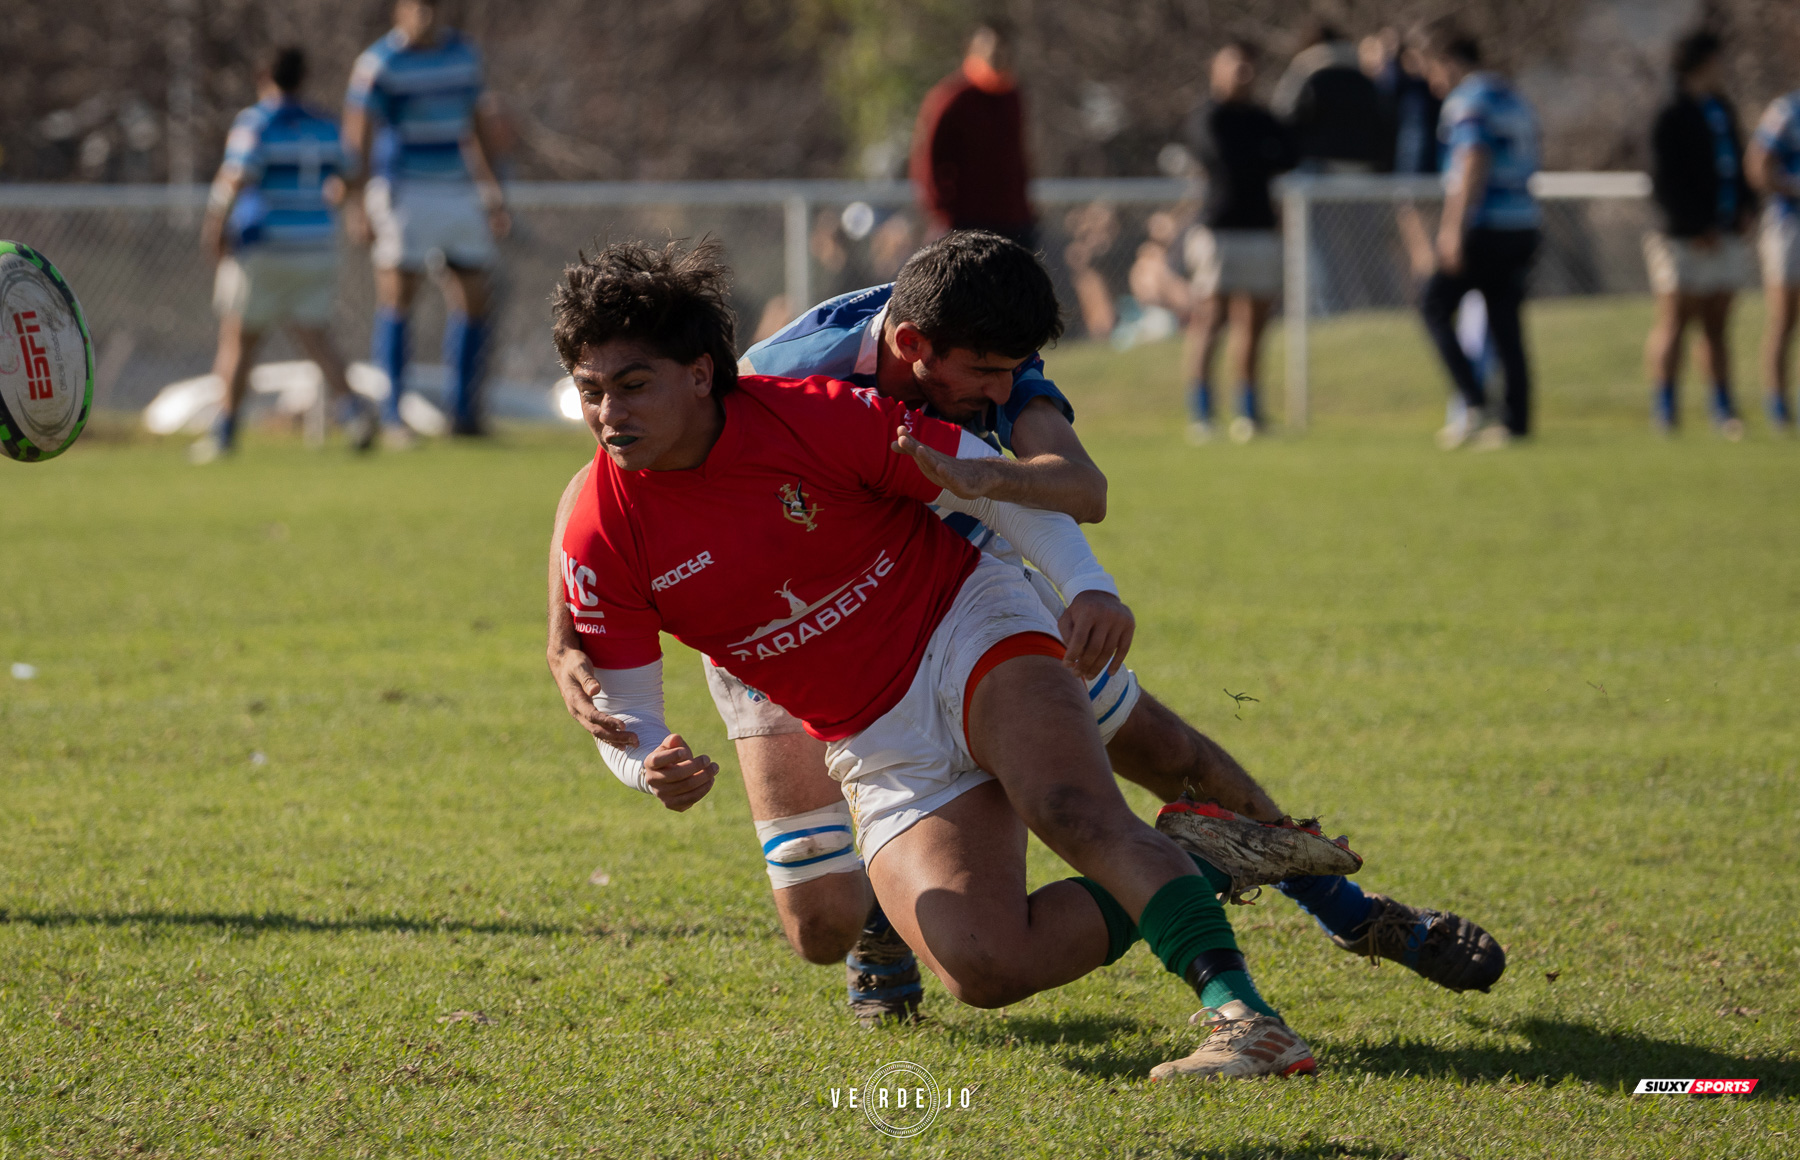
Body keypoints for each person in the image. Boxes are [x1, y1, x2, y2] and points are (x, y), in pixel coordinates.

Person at [546, 232, 1507, 1029]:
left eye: (1016, 373)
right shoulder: (775, 385)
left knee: (1157, 753)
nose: (1002, 389)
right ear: (915, 346)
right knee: (820, 921)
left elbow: (1074, 489)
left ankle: (1354, 914)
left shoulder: (981, 358)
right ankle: (891, 917)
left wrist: (1082, 578)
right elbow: (607, 547)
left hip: (948, 567)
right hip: (767, 644)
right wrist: (581, 666)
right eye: (986, 375)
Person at [341, 0, 510, 444]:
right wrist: (358, 201)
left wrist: (493, 193)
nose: (428, 14)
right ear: (400, 10)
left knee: (474, 295)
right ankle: (395, 415)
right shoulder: (380, 62)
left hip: (457, 189)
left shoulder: (464, 54)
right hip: (404, 190)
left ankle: (464, 415)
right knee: (399, 295)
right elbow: (359, 134)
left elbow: (477, 125)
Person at [194, 48, 373, 464]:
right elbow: (353, 173)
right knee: (316, 336)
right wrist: (339, 199)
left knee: (240, 337)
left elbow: (235, 177)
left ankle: (223, 432)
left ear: (262, 74)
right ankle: (353, 415)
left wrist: (214, 229)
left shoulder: (256, 121)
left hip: (265, 245)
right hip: (315, 246)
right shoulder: (326, 125)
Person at [1417, 22, 1541, 450]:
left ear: (1450, 62)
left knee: (1432, 304)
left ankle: (1473, 401)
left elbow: (1472, 158)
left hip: (1487, 224)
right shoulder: (1512, 96)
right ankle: (1516, 421)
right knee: (1506, 323)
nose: (1434, 84)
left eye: (1434, 71)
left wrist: (1453, 228)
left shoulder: (1468, 99)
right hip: (1523, 221)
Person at [1181, 42, 1295, 444]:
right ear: (1218, 68)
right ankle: (1201, 413)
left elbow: (1288, 155)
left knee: (1255, 323)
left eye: (1249, 66)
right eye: (1235, 65)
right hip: (1220, 231)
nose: (1243, 73)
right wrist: (1260, 156)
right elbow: (1227, 159)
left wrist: (1262, 156)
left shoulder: (1263, 118)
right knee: (1210, 320)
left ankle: (1248, 413)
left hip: (1260, 228)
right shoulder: (1208, 116)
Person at [1645, 30, 1754, 439]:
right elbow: (1664, 181)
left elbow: (1738, 166)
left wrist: (1746, 209)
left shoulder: (1722, 109)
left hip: (1724, 232)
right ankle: (1665, 405)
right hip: (1683, 238)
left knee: (1717, 324)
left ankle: (1722, 406)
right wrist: (1694, 226)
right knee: (1674, 320)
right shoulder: (1669, 113)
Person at [910, 20, 1034, 247]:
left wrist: (1025, 208)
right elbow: (927, 159)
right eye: (991, 50)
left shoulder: (1011, 96)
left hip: (1013, 220)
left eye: (1003, 51)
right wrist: (942, 214)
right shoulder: (951, 97)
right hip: (967, 223)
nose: (998, 57)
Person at [1745, 70, 1800, 433]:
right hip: (1789, 225)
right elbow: (1758, 165)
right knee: (1784, 318)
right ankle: (1777, 407)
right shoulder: (1789, 111)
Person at [1272, 22, 1383, 174]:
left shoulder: (1305, 72)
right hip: (1363, 163)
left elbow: (1285, 112)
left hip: (1317, 164)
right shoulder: (1364, 77)